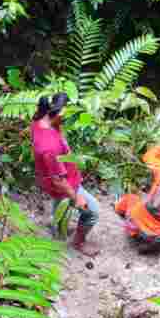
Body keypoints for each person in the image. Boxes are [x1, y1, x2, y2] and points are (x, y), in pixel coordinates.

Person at [29, 94, 101, 256]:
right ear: (58, 114)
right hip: (63, 183)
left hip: (51, 178)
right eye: (66, 114)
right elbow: (58, 181)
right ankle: (77, 243)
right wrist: (76, 198)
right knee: (92, 212)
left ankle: (58, 229)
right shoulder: (49, 147)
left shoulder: (39, 120)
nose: (67, 118)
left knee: (60, 203)